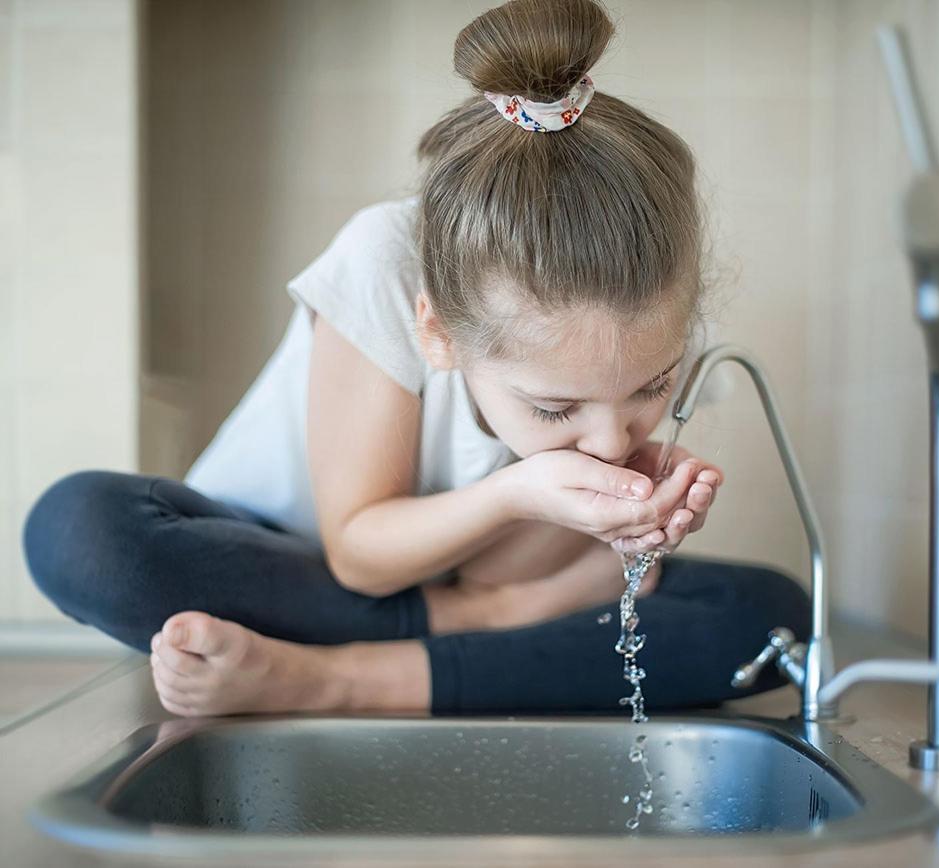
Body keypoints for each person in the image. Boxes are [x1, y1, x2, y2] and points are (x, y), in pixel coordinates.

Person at [22, 0, 809, 719]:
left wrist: (622, 527)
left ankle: (322, 680)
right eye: (552, 409)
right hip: (294, 563)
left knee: (772, 618)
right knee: (82, 533)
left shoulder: (645, 312)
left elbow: (508, 573)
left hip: (467, 585)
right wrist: (510, 516)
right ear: (439, 332)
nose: (609, 440)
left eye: (652, 386)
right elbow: (363, 560)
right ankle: (456, 647)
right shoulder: (387, 264)